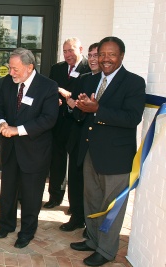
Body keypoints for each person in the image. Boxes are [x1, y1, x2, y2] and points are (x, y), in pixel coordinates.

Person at [70, 36, 146, 266]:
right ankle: (92, 240)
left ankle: (106, 250)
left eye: (111, 54)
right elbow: (80, 116)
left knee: (111, 207)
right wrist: (81, 108)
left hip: (116, 157)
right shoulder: (90, 81)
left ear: (121, 56)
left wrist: (98, 109)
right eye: (102, 54)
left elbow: (132, 118)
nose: (105, 59)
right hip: (91, 152)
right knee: (92, 201)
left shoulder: (134, 82)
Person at [0, 47, 59, 248]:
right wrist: (3, 123)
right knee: (8, 189)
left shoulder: (48, 86)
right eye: (10, 68)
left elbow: (48, 119)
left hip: (35, 151)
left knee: (31, 194)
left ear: (30, 67)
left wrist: (17, 130)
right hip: (11, 149)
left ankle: (27, 231)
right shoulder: (7, 83)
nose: (11, 73)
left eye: (15, 69)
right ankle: (6, 224)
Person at [43, 37, 91, 210]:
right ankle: (55, 196)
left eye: (71, 50)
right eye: (65, 51)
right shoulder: (57, 68)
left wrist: (67, 94)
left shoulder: (89, 69)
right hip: (58, 122)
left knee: (76, 165)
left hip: (79, 123)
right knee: (57, 160)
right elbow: (49, 90)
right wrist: (53, 99)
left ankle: (75, 204)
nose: (68, 54)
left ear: (80, 49)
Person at [60, 43, 101, 233]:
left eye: (96, 55)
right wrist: (72, 106)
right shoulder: (83, 79)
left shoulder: (108, 81)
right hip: (78, 136)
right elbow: (73, 107)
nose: (93, 59)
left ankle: (90, 222)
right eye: (91, 55)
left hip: (98, 141)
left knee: (92, 185)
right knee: (75, 180)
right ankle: (76, 217)